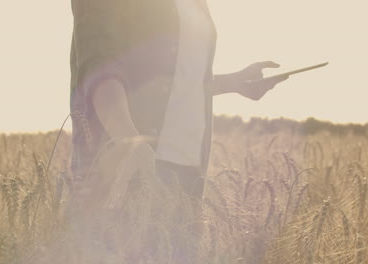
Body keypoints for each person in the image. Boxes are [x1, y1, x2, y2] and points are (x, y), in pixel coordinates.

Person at [69, 0, 288, 262]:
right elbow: (99, 68)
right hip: (132, 167)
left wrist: (236, 83)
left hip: (189, 169)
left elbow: (177, 79)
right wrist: (130, 141)